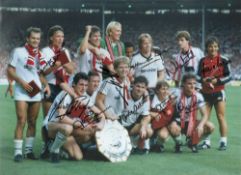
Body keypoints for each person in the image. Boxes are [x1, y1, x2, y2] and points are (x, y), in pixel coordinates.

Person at [7, 27, 51, 162]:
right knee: (21, 120)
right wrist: (20, 82)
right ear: (27, 38)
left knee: (32, 122)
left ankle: (29, 151)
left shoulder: (40, 55)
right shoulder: (18, 52)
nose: (36, 40)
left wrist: (47, 85)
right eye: (33, 38)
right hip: (21, 90)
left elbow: (40, 74)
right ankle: (18, 153)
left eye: (38, 38)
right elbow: (10, 70)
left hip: (35, 90)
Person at [43, 72, 105, 162]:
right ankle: (53, 150)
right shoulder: (66, 94)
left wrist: (101, 124)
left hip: (67, 131)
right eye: (81, 84)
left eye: (86, 85)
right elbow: (61, 117)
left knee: (78, 156)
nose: (83, 88)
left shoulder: (84, 98)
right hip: (50, 126)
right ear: (74, 84)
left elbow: (101, 114)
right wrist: (80, 124)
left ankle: (60, 148)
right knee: (68, 128)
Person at [40, 25, 76, 159]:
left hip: (63, 87)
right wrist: (55, 65)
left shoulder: (65, 51)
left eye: (62, 36)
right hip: (50, 86)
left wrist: (64, 63)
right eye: (58, 36)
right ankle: (45, 147)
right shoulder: (45, 51)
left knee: (61, 120)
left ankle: (56, 148)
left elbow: (72, 69)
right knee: (48, 120)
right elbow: (43, 72)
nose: (61, 39)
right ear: (51, 38)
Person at [197, 36, 231, 150]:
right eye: (210, 46)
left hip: (218, 92)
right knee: (205, 118)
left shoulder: (224, 60)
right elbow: (198, 76)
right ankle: (207, 142)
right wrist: (203, 80)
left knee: (221, 116)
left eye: (215, 46)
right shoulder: (202, 61)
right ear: (207, 48)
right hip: (205, 93)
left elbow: (229, 76)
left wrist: (218, 81)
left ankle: (223, 142)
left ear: (218, 47)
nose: (213, 48)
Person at [169, 73, 214, 153]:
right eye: (189, 83)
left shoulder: (198, 96)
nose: (192, 86)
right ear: (183, 84)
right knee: (173, 128)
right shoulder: (176, 93)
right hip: (178, 121)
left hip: (191, 122)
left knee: (210, 127)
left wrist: (200, 125)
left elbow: (205, 115)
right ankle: (178, 143)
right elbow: (166, 104)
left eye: (194, 83)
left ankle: (192, 143)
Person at [119, 76, 153, 154]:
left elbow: (146, 116)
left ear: (145, 89)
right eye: (137, 86)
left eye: (142, 87)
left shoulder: (145, 99)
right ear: (133, 85)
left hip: (132, 127)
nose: (139, 89)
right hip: (119, 126)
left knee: (148, 131)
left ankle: (139, 146)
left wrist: (143, 127)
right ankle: (128, 142)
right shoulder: (124, 94)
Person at [96, 56, 130, 121]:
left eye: (126, 67)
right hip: (109, 118)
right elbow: (98, 101)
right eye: (121, 67)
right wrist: (108, 115)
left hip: (122, 117)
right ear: (115, 69)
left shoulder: (127, 82)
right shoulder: (108, 82)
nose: (124, 70)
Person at [150, 81, 175, 152]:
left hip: (162, 125)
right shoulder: (150, 99)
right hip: (150, 125)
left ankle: (158, 145)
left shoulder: (170, 101)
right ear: (157, 91)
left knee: (163, 135)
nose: (165, 91)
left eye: (167, 89)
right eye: (163, 89)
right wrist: (151, 113)